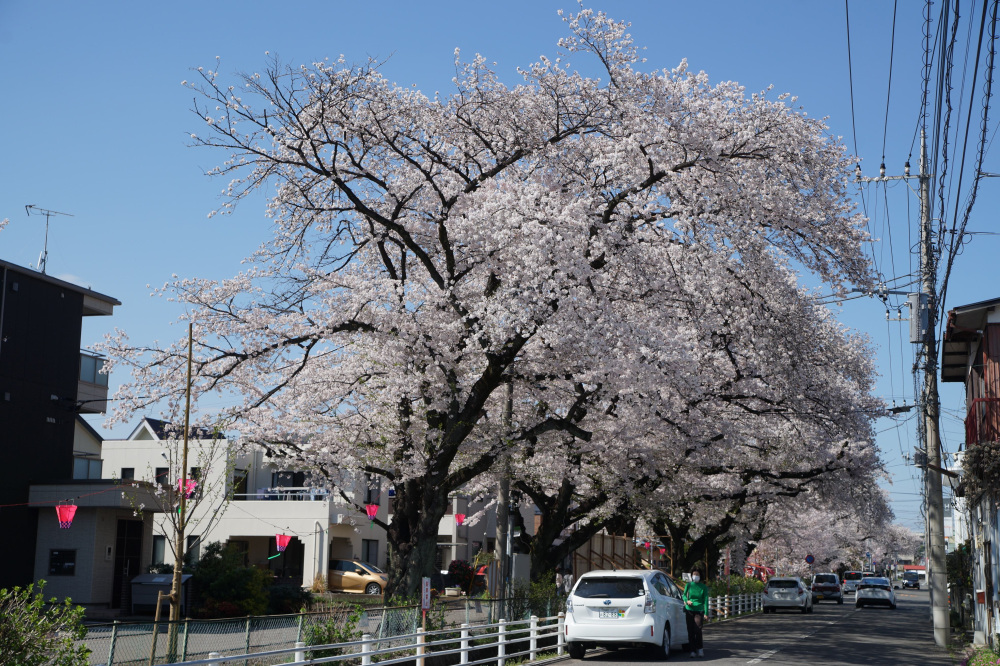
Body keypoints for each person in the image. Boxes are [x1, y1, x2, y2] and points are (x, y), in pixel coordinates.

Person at [683, 568, 708, 658]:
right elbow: (684, 595)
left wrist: (706, 613)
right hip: (689, 609)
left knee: (698, 629)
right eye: (694, 574)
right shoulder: (688, 585)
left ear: (700, 576)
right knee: (690, 631)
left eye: (697, 574)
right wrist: (687, 600)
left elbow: (706, 600)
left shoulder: (703, 587)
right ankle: (692, 650)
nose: (695, 576)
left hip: (699, 610)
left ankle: (700, 649)